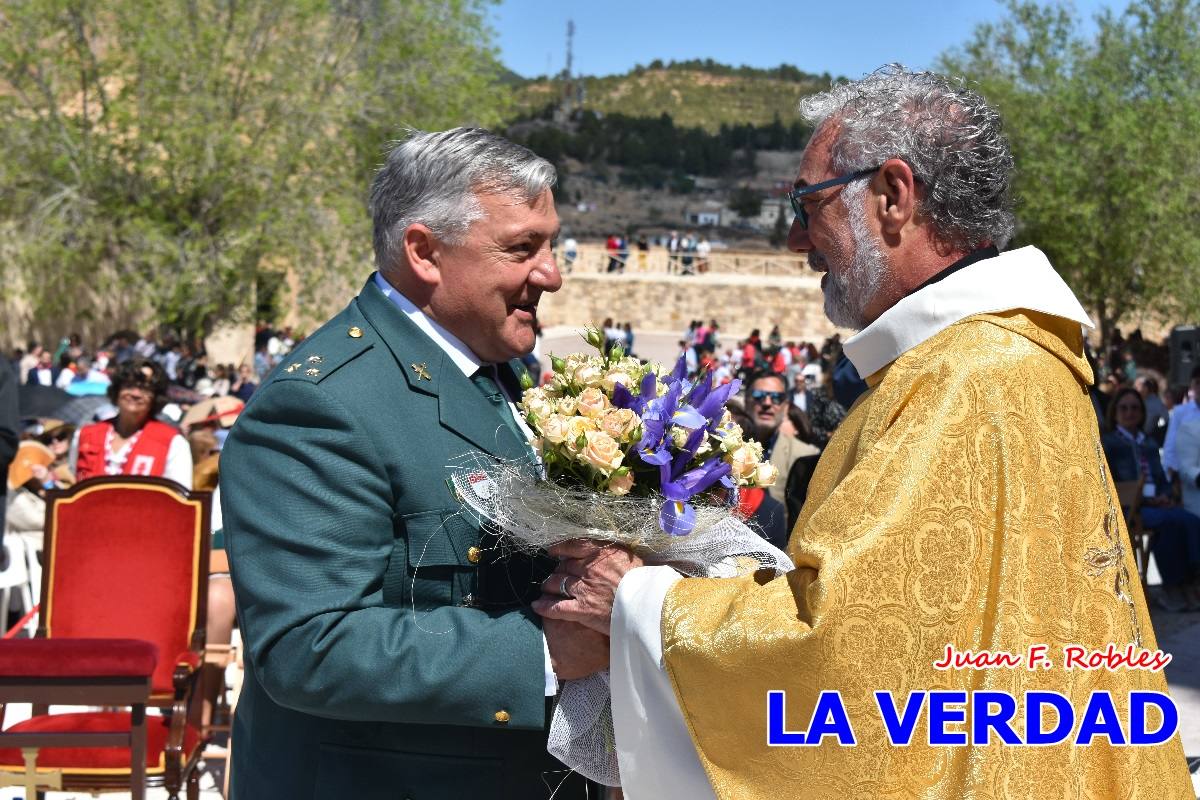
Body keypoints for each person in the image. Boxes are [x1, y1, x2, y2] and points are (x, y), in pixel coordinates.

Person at [537, 66, 1191, 797]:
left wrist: (633, 600)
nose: (793, 240)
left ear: (892, 197)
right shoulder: (996, 361)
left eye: (807, 204)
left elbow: (846, 651)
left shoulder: (964, 379)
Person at [219, 127, 601, 799]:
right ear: (424, 252)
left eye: (551, 244)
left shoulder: (500, 374)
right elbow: (309, 644)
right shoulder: (323, 403)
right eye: (523, 248)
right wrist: (548, 653)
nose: (553, 274)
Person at [1101, 388, 1200, 611]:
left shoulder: (1149, 443)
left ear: (1142, 412)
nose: (1129, 412)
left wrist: (1166, 496)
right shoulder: (1110, 443)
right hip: (1131, 507)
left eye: (1135, 407)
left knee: (1190, 520)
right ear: (1115, 411)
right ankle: (1174, 586)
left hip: (1157, 504)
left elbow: (1162, 480)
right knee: (1168, 523)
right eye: (1124, 408)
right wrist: (1146, 501)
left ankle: (1189, 580)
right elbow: (1112, 484)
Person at [70, 358, 192, 487]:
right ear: (117, 390)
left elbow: (180, 499)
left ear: (156, 397)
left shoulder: (173, 443)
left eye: (145, 388)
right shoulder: (85, 435)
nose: (136, 394)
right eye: (129, 385)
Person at [745, 372, 820, 531]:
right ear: (746, 401)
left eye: (776, 398)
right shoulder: (722, 449)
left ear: (785, 407)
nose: (767, 403)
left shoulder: (805, 454)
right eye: (759, 396)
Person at [1162, 365, 1200, 476]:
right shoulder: (1180, 412)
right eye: (1197, 383)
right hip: (1187, 476)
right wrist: (1171, 472)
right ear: (1191, 386)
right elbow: (1170, 445)